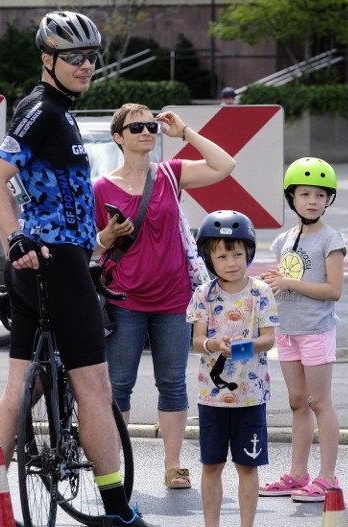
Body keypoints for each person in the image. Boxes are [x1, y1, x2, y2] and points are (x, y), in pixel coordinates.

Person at [0, 11, 163, 527]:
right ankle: (117, 515)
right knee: (95, 388)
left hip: (41, 263)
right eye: (74, 57)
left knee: (21, 386)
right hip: (54, 263)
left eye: (92, 57)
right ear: (47, 59)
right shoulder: (44, 112)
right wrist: (15, 237)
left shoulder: (52, 112)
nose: (86, 65)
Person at [93, 103, 235, 490]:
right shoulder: (101, 188)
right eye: (135, 126)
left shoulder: (171, 175)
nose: (145, 131)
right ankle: (114, 466)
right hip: (123, 300)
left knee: (172, 383)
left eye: (149, 125)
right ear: (119, 137)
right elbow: (91, 249)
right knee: (118, 385)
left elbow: (224, 165)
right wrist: (106, 238)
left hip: (174, 299)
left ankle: (174, 466)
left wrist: (184, 131)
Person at [181, 211, 277, 527]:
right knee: (211, 465)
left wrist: (240, 347)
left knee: (247, 465)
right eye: (221, 255)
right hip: (212, 397)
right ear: (209, 257)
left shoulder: (261, 292)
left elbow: (269, 338)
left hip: (251, 397)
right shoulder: (203, 295)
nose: (231, 262)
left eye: (237, 254)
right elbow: (197, 339)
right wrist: (211, 345)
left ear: (249, 253)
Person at [257, 157, 346, 503]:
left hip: (316, 330)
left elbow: (333, 290)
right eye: (305, 194)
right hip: (287, 329)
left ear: (329, 200)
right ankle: (297, 474)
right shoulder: (283, 241)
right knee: (297, 402)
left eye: (321, 196)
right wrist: (273, 283)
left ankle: (327, 478)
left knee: (319, 401)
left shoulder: (330, 240)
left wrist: (290, 282)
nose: (312, 201)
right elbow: (285, 284)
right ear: (291, 197)